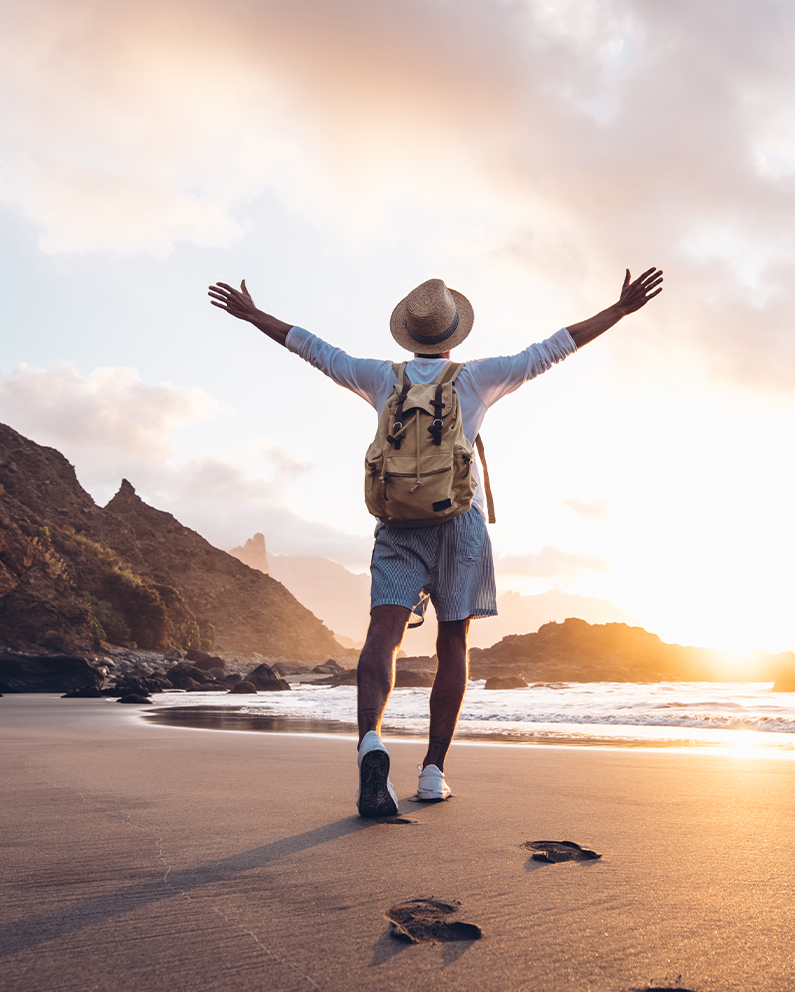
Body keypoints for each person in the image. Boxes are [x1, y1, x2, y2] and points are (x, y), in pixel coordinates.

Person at [208, 268, 662, 816]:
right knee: (453, 642)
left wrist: (255, 315)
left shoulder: (379, 377)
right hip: (457, 524)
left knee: (384, 633)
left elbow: (313, 348)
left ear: (409, 334)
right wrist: (618, 311)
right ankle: (431, 772)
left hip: (398, 524)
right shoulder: (477, 379)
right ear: (452, 335)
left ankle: (371, 743)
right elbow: (554, 348)